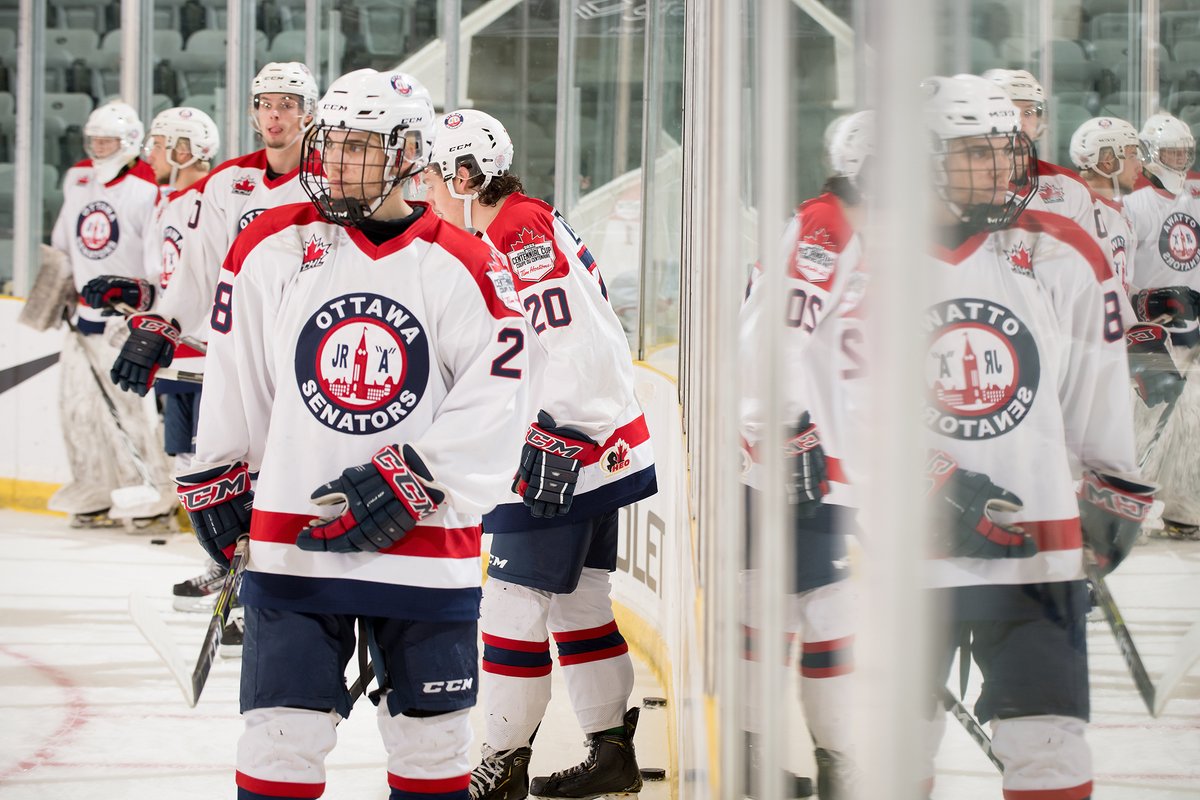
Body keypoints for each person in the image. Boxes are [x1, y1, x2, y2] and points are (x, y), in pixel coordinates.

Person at [182, 68, 528, 800]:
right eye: (329, 143)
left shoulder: (468, 264)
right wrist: (215, 472)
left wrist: (421, 475)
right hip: (292, 541)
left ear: (409, 153)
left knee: (434, 745)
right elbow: (236, 369)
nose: (333, 162)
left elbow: (503, 394)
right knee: (279, 738)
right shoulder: (271, 245)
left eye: (357, 147)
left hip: (426, 548)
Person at [919, 74, 1153, 800]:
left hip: (1035, 552)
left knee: (1049, 748)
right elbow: (826, 397)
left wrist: (1113, 490)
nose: (1002, 168)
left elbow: (1096, 384)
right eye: (976, 153)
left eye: (1007, 149)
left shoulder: (1059, 250)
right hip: (898, 563)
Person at [423, 109, 658, 800]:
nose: (429, 189)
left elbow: (579, 340)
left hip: (566, 449)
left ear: (465, 175)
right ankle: (611, 751)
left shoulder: (515, 227)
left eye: (436, 175)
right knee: (580, 604)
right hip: (591, 443)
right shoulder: (516, 219)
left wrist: (563, 431)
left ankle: (501, 762)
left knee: (510, 607)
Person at [151, 61, 321, 615]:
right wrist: (164, 323)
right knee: (231, 465)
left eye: (288, 104)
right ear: (252, 113)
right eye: (266, 104)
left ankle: (284, 585)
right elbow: (199, 268)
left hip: (305, 348)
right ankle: (234, 573)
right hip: (239, 346)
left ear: (309, 111)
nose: (275, 115)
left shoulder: (329, 181)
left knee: (291, 466)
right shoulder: (230, 182)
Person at [736, 110, 871, 800]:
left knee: (814, 609)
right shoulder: (828, 223)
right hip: (800, 457)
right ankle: (794, 759)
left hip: (834, 458)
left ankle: (817, 759)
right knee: (798, 606)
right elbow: (770, 339)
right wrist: (781, 427)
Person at [81, 105, 222, 583]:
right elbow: (164, 282)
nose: (151, 153)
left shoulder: (213, 200)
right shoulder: (166, 201)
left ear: (186, 149)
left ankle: (232, 565)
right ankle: (215, 562)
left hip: (210, 356)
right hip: (174, 354)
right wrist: (129, 291)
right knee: (186, 460)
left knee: (220, 462)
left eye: (160, 144)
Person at [46, 99, 174, 529]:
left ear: (131, 143)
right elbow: (63, 242)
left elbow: (158, 264)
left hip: (125, 320)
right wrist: (55, 291)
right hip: (82, 318)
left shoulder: (148, 188)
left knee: (131, 413)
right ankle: (94, 487)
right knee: (77, 410)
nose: (99, 149)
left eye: (108, 142)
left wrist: (148, 309)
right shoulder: (78, 180)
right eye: (94, 141)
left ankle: (155, 493)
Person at [1122, 113, 1200, 537]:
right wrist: (1141, 304)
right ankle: (1125, 509)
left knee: (1193, 427)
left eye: (1183, 152)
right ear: (1151, 154)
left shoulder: (1195, 199)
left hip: (1194, 330)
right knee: (1146, 424)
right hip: (1152, 333)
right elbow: (1121, 270)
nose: (1179, 159)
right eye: (1171, 151)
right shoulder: (1133, 207)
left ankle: (1185, 512)